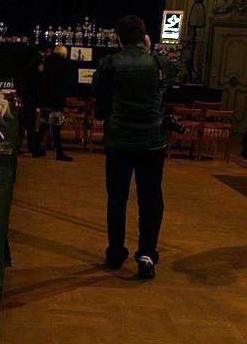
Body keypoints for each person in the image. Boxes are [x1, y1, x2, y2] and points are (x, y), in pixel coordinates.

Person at [92, 15, 178, 279]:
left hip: (119, 141)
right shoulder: (159, 63)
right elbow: (168, 89)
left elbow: (100, 105)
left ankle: (116, 252)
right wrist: (150, 52)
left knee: (117, 199)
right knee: (151, 199)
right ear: (144, 37)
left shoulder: (109, 64)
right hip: (152, 142)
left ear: (119, 38)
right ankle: (147, 254)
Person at [32, 45, 73, 161]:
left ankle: (36, 149)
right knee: (56, 127)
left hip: (46, 99)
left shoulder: (46, 63)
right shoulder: (64, 65)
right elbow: (65, 83)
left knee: (44, 125)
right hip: (57, 100)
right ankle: (59, 153)